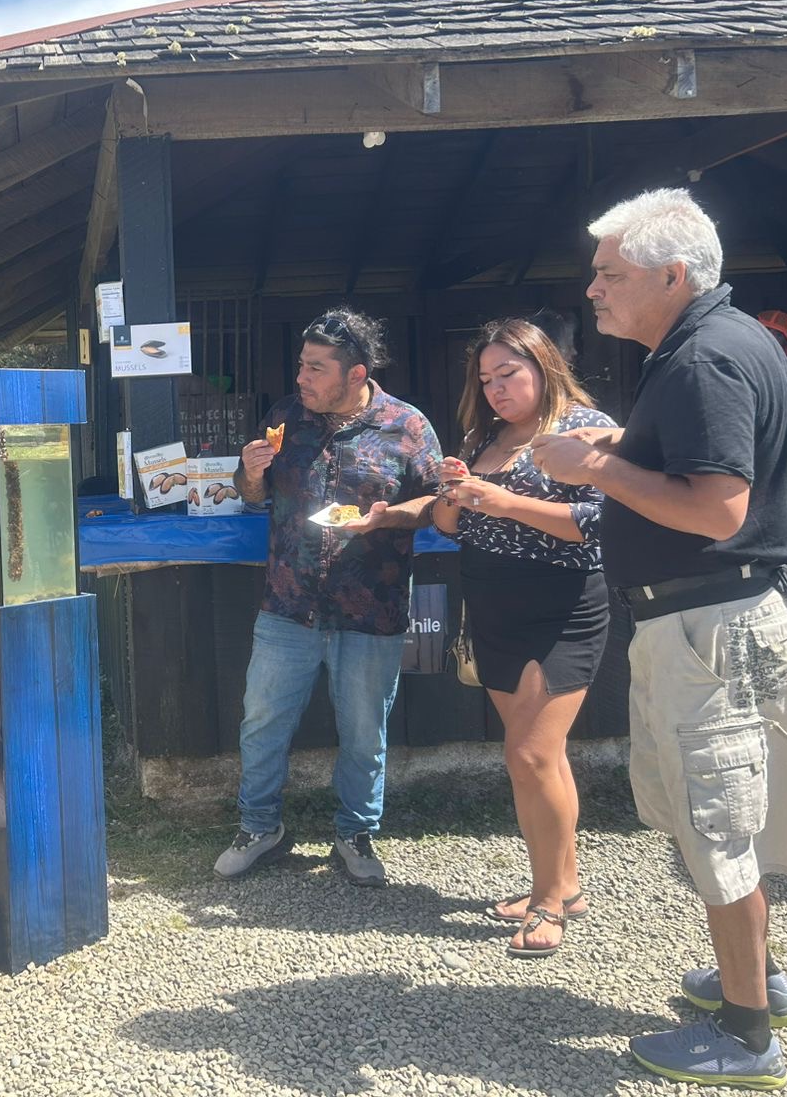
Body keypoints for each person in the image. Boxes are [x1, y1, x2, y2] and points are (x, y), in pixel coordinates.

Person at [533, 189, 787, 1089]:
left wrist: (595, 465)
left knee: (715, 825)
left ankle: (747, 1035)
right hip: (714, 621)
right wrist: (626, 442)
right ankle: (756, 978)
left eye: (609, 273)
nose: (593, 289)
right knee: (719, 817)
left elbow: (717, 508)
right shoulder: (721, 341)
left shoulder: (701, 360)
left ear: (671, 275)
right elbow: (701, 462)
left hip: (706, 630)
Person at [214, 309, 441, 886]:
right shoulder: (285, 417)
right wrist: (250, 472)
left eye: (316, 368)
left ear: (356, 373)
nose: (302, 377)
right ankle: (259, 828)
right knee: (262, 722)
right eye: (301, 364)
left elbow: (438, 502)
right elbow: (250, 494)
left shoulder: (407, 426)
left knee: (365, 733)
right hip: (288, 604)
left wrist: (388, 517)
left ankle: (356, 834)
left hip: (371, 607)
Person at [429, 319, 616, 959]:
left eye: (508, 374)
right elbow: (450, 526)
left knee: (529, 756)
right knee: (543, 756)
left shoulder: (583, 428)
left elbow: (597, 523)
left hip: (559, 607)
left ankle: (547, 902)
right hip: (493, 606)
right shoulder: (484, 436)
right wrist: (454, 492)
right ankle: (568, 884)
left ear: (544, 365)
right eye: (486, 379)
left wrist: (501, 501)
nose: (496, 389)